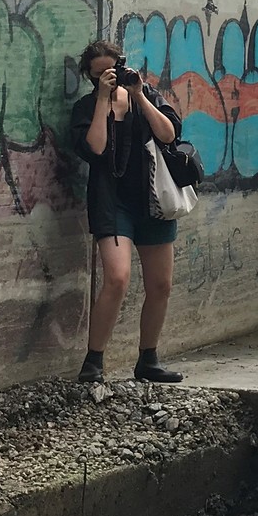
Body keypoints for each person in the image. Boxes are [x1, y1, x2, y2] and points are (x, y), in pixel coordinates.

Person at [67, 39, 186, 384]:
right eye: (99, 74)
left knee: (161, 285)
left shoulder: (146, 95)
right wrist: (103, 99)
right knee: (117, 279)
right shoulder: (87, 107)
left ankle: (148, 360)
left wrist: (139, 96)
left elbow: (169, 134)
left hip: (152, 201)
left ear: (124, 64)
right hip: (112, 202)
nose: (109, 76)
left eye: (114, 68)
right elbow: (96, 149)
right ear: (90, 78)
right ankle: (94, 362)